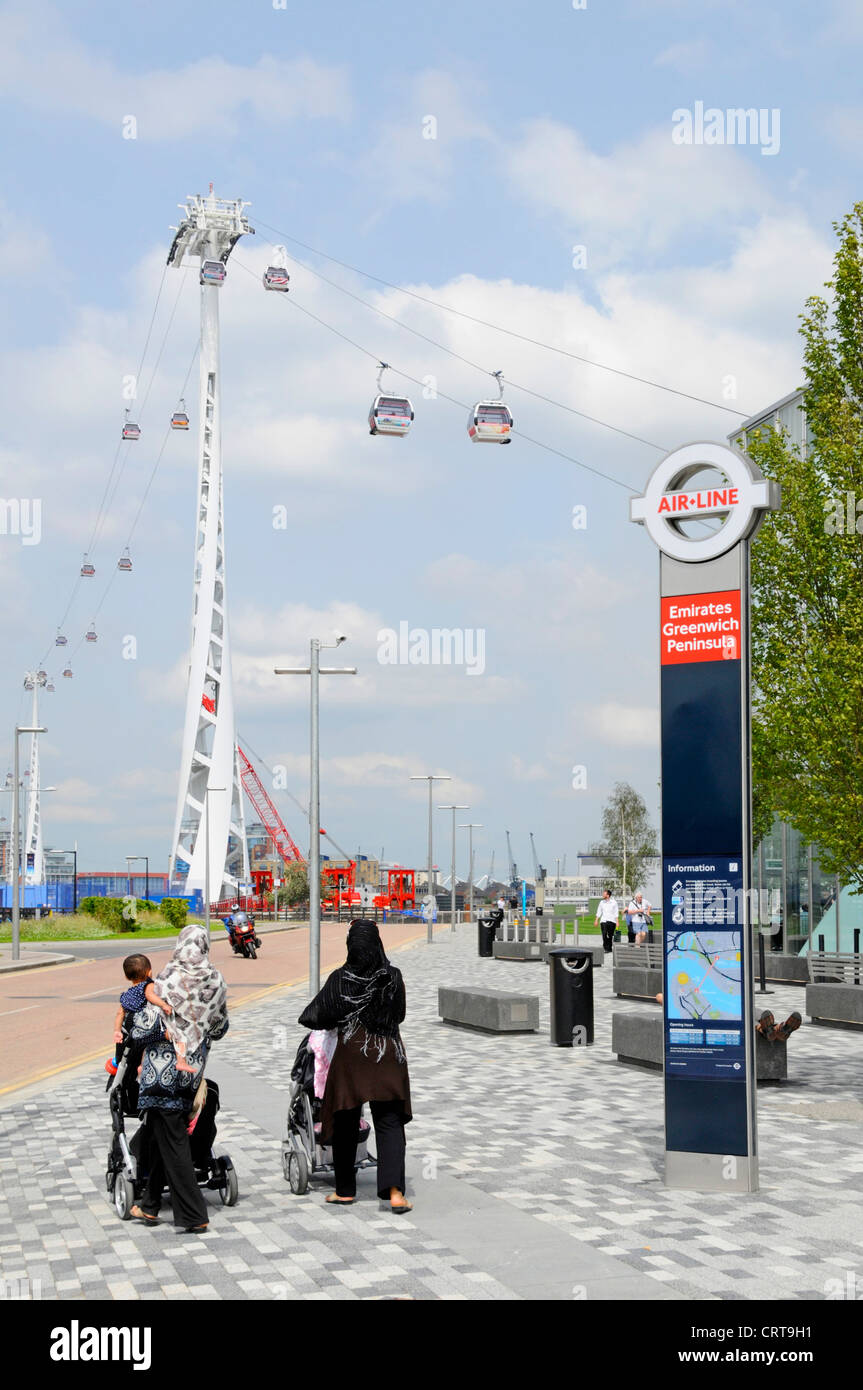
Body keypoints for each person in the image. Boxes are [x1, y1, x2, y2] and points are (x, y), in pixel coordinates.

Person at [298, 919, 412, 1213]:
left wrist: (341, 1016)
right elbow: (398, 1015)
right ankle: (396, 1193)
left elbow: (314, 1015)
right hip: (388, 1056)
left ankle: (345, 1191)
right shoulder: (393, 976)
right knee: (389, 1122)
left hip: (352, 1057)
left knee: (346, 1118)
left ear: (351, 945)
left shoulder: (341, 978)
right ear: (378, 943)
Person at [130, 925, 229, 1233]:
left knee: (173, 1139)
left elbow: (141, 1029)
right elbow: (220, 1027)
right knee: (166, 1133)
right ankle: (149, 1206)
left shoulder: (164, 979)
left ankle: (193, 1214)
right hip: (191, 1074)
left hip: (160, 1074)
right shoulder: (216, 980)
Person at [112, 954, 172, 1048]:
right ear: (149, 972)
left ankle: (140, 1062)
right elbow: (149, 995)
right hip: (145, 1024)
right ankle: (168, 1039)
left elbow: (120, 1013)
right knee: (167, 1033)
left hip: (133, 1030)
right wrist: (163, 1005)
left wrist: (117, 1031)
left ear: (127, 977)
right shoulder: (147, 985)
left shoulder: (127, 994)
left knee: (144, 1044)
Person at [595, 889, 620, 954]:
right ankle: (605, 947)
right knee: (604, 934)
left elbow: (616, 913)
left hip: (612, 921)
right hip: (603, 921)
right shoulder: (601, 902)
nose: (603, 895)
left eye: (604, 894)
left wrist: (617, 922)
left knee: (610, 935)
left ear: (608, 895)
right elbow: (599, 911)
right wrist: (596, 920)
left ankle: (609, 948)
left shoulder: (614, 902)